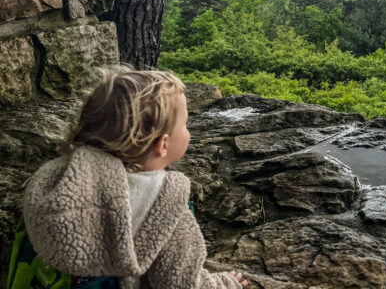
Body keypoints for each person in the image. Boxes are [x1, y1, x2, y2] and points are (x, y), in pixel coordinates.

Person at [21, 67, 249, 288]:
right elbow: (181, 281)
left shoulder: (58, 179)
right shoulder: (165, 204)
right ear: (163, 144)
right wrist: (225, 283)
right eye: (185, 124)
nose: (188, 131)